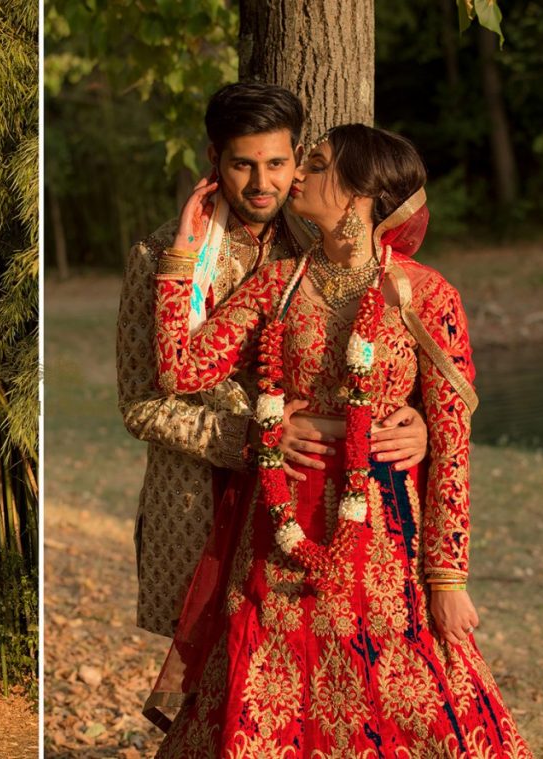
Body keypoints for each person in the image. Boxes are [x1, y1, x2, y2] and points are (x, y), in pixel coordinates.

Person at [145, 124, 533, 756]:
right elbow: (179, 370)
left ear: (360, 193)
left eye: (316, 165)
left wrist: (448, 577)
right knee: (267, 687)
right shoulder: (276, 286)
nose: (297, 175)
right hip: (278, 520)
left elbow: (454, 446)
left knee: (412, 696)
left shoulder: (426, 295)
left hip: (384, 526)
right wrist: (183, 254)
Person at [117, 82, 428, 638]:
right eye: (242, 165)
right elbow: (142, 404)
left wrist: (418, 420)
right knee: (211, 692)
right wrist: (253, 437)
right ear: (214, 159)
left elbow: (389, 349)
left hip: (314, 499)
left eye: (279, 163)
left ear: (297, 159)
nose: (263, 184)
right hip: (197, 500)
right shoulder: (164, 257)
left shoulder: (321, 244)